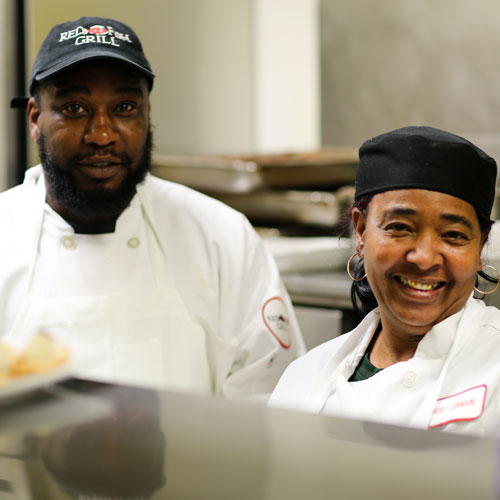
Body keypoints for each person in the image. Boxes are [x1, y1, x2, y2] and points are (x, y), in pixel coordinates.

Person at [4, 16, 305, 397]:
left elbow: (272, 404)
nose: (102, 134)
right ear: (35, 118)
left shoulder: (220, 238)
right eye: (75, 108)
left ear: (147, 114)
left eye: (125, 106)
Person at [269, 125, 500, 435]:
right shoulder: (304, 376)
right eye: (400, 227)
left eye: (453, 235)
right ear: (361, 232)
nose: (424, 258)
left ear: (480, 246)